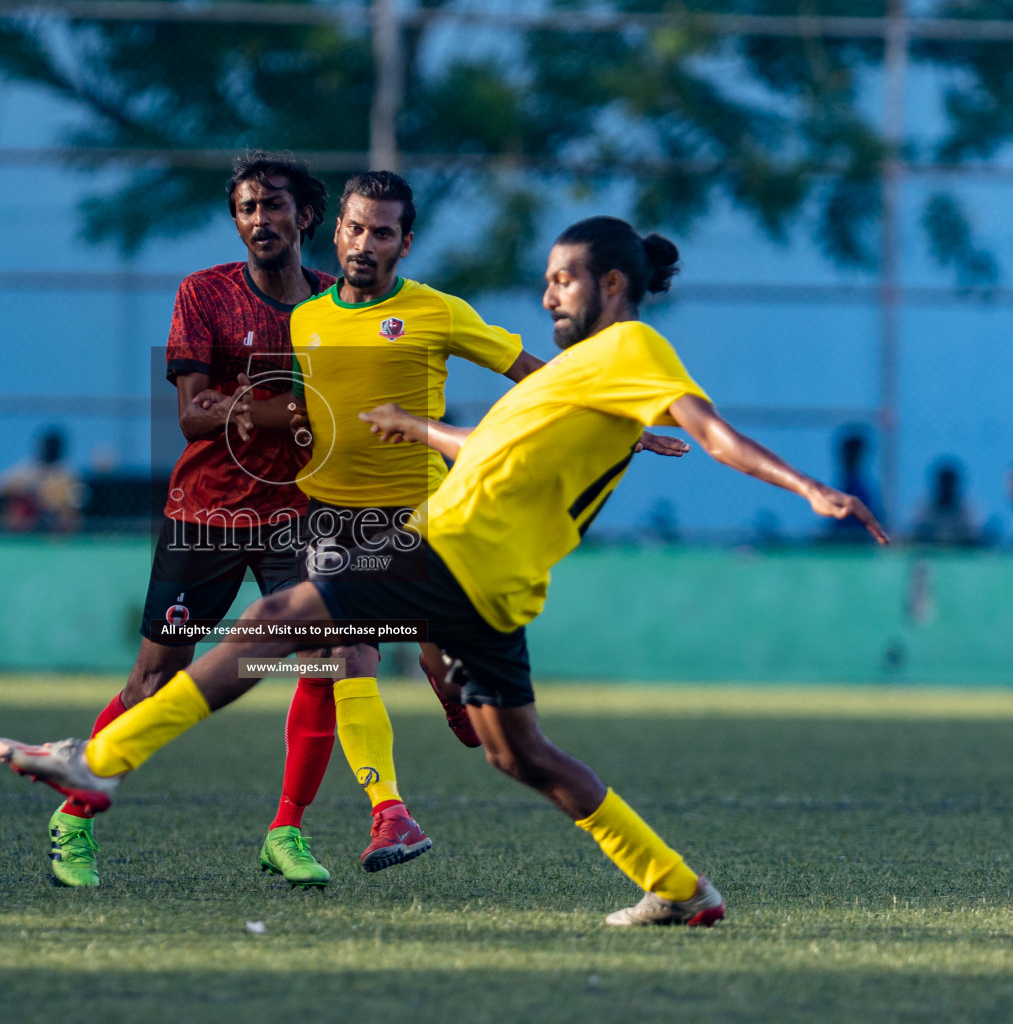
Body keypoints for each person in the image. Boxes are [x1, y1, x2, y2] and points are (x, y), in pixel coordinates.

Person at [0, 215, 887, 926]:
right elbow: (490, 444)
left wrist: (809, 486)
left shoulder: (634, 350)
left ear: (613, 284)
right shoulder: (570, 373)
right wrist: (420, 430)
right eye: (545, 280)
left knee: (280, 625)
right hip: (492, 584)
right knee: (519, 753)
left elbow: (709, 428)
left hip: (448, 551)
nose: (548, 295)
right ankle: (679, 886)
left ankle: (102, 761)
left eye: (562, 279)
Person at [202, 170, 689, 877]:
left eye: (383, 232)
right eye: (355, 227)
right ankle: (388, 814)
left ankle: (454, 698)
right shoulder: (305, 318)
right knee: (347, 656)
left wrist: (608, 413)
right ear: (335, 230)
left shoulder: (436, 311)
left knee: (460, 697)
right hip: (332, 518)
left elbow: (527, 365)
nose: (365, 243)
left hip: (425, 519)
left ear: (406, 243)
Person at [34, 152, 338, 888]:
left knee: (327, 663)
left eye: (272, 206)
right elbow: (193, 416)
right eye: (245, 208)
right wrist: (291, 411)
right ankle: (73, 819)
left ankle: (286, 831)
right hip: (204, 514)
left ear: (306, 216)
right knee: (154, 682)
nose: (259, 220)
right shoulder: (204, 293)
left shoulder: (336, 304)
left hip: (295, 515)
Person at [0, 428, 87, 532]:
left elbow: (76, 502)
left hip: (54, 520)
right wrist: (27, 490)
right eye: (48, 447)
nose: (51, 450)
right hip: (27, 519)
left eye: (54, 447)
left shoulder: (68, 474)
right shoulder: (25, 470)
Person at [825, 428, 883, 543]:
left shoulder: (857, 489)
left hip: (854, 546)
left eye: (851, 453)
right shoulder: (848, 484)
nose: (845, 457)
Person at [910, 459, 979, 546]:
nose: (946, 488)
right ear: (938, 485)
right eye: (944, 484)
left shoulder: (967, 509)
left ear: (955, 486)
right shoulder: (924, 508)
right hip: (931, 553)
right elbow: (916, 533)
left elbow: (974, 535)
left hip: (958, 555)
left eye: (949, 484)